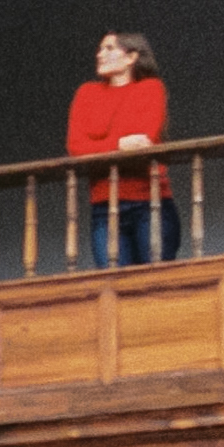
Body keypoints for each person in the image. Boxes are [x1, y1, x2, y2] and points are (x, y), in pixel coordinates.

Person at [67, 30, 181, 268]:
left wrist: (100, 148)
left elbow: (143, 140)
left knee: (156, 286)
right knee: (114, 289)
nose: (100, 55)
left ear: (131, 57)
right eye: (100, 49)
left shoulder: (151, 88)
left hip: (150, 204)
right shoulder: (87, 93)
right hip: (104, 207)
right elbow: (76, 147)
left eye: (109, 48)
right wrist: (118, 145)